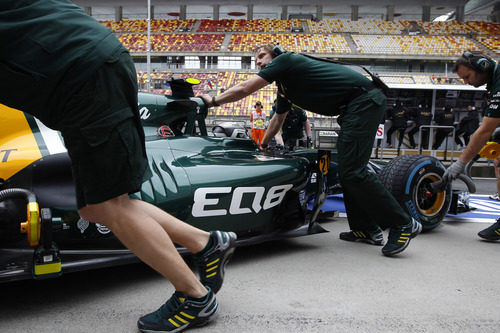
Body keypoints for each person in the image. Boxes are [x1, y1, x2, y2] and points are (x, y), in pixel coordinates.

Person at [0, 2, 236, 332]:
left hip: (80, 77)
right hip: (83, 71)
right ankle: (206, 243)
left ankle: (195, 297)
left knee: (108, 205)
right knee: (95, 209)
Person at [201, 44, 422, 257]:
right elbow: (278, 118)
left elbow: (245, 88)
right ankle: (365, 229)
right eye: (255, 59)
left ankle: (403, 223)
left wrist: (212, 102)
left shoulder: (286, 60)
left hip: (363, 102)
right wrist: (264, 144)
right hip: (355, 107)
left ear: (274, 55)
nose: (258, 62)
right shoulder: (285, 88)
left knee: (353, 171)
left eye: (261, 56)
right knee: (349, 171)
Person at [444, 51, 500, 241]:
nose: (466, 82)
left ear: (482, 67)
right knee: (498, 163)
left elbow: (484, 130)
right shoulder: (493, 82)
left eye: (467, 77)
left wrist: (460, 163)